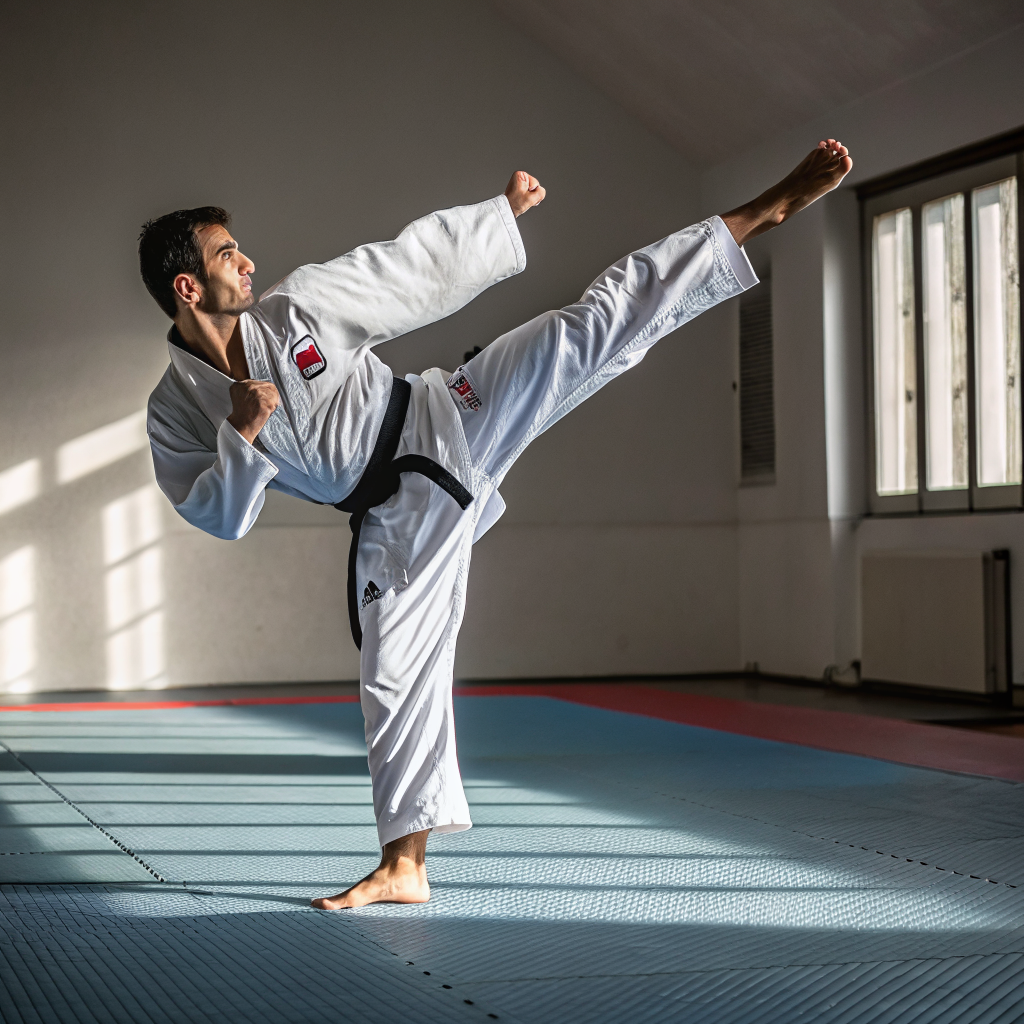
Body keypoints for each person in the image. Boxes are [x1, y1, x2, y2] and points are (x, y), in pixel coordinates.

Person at [139, 140, 852, 909]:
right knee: (393, 672)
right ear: (189, 285)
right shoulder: (176, 411)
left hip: (450, 415)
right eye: (227, 255)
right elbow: (217, 516)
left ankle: (758, 212)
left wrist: (496, 219)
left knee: (591, 329)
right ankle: (404, 867)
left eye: (241, 251)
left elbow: (401, 269)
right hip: (395, 513)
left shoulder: (297, 306)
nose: (247, 263)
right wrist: (241, 437)